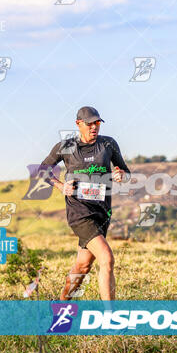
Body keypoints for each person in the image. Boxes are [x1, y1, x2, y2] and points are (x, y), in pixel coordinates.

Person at [41, 106, 130, 300]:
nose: (94, 127)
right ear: (78, 124)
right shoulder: (67, 147)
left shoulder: (108, 144)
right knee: (106, 257)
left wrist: (121, 175)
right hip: (79, 212)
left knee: (83, 266)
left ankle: (61, 303)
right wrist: (60, 186)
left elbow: (125, 171)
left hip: (102, 211)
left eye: (97, 123)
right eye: (89, 123)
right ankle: (110, 318)